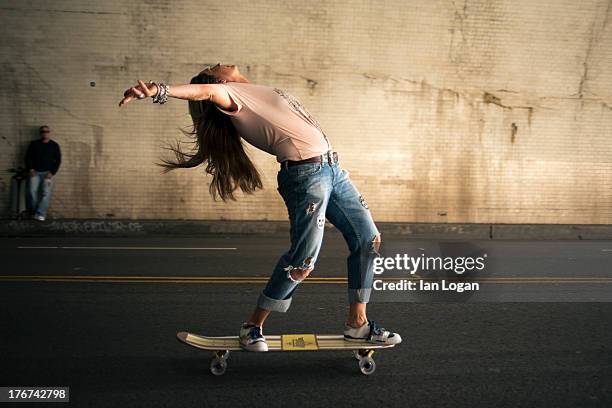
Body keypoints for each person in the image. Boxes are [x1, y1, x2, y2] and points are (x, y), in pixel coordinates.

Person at [118, 63, 402, 351]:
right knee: (303, 260)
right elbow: (203, 91)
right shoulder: (230, 93)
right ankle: (252, 326)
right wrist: (158, 89)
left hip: (333, 169)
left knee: (369, 240)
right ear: (219, 79)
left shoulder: (252, 91)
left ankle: (358, 324)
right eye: (214, 66)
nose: (221, 62)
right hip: (307, 176)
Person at [25, 125, 61, 221]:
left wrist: (52, 172)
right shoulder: (34, 144)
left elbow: (58, 160)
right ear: (40, 133)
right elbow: (28, 157)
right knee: (32, 192)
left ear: (49, 133)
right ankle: (35, 212)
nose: (45, 133)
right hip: (35, 173)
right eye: (43, 131)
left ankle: (41, 214)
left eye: (47, 131)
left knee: (46, 194)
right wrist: (31, 169)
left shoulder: (54, 145)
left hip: (47, 174)